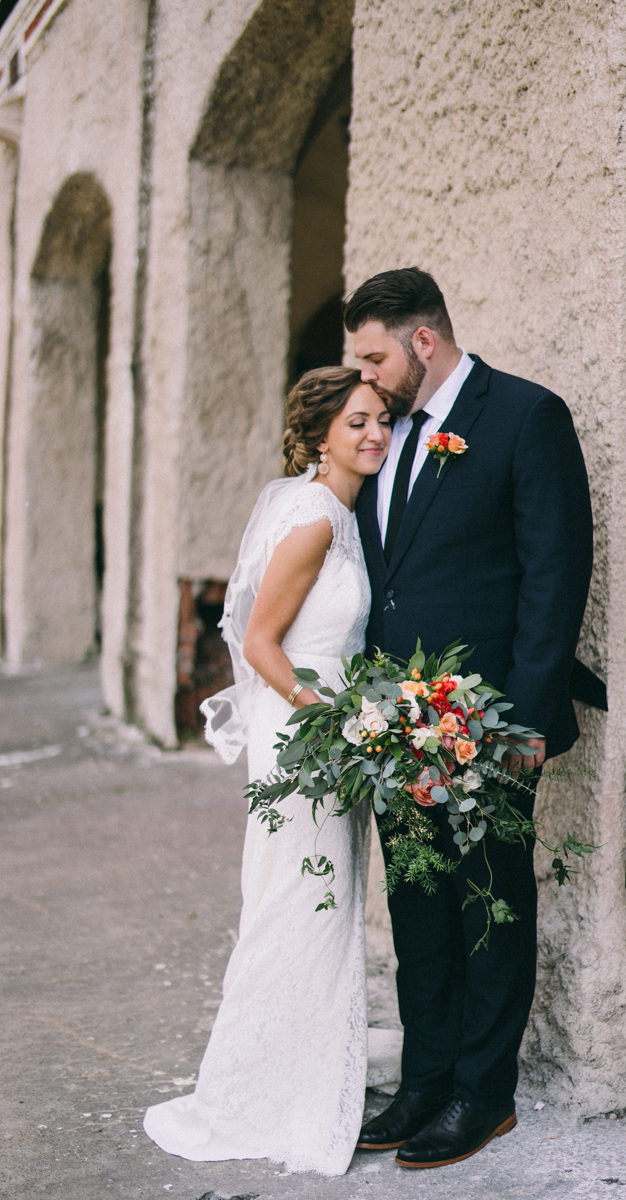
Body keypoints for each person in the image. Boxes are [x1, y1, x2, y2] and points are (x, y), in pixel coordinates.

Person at [345, 267, 594, 1169]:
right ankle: (424, 1079)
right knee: (415, 902)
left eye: (374, 357)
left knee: (488, 904)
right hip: (396, 723)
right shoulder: (385, 433)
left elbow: (553, 578)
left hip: (486, 724)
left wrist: (524, 725)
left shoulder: (526, 417)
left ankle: (483, 1095)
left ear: (422, 341)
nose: (365, 379)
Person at [143, 367, 393, 1176]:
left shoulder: (346, 516)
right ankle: (269, 1095)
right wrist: (340, 718)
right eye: (357, 422)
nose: (374, 435)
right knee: (301, 904)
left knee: (318, 903)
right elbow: (257, 643)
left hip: (329, 729)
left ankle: (306, 1078)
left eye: (382, 420)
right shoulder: (316, 518)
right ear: (320, 435)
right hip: (308, 737)